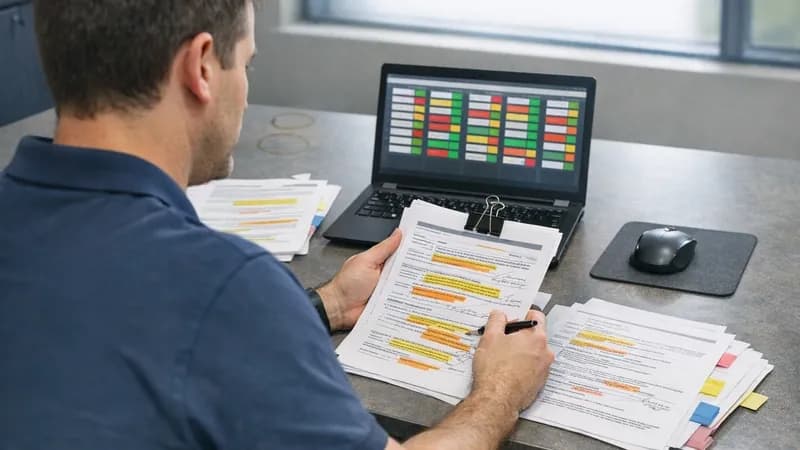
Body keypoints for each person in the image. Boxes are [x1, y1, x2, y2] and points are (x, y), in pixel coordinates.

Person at [0, 1, 554, 449]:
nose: (246, 88)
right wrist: (501, 389)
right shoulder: (224, 284)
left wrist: (328, 304)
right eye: (246, 62)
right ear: (200, 67)